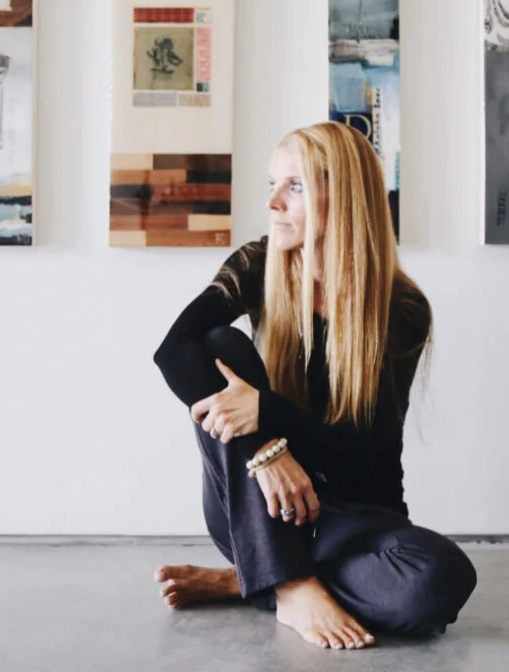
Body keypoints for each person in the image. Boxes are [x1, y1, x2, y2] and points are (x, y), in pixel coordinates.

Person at [151, 122, 477, 651]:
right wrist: (266, 450)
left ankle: (254, 580)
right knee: (220, 347)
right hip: (258, 505)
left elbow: (367, 455)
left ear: (344, 197)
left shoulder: (402, 310)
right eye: (272, 185)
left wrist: (269, 413)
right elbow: (174, 351)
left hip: (351, 517)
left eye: (294, 186)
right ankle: (291, 583)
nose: (273, 202)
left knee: (440, 578)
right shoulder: (258, 265)